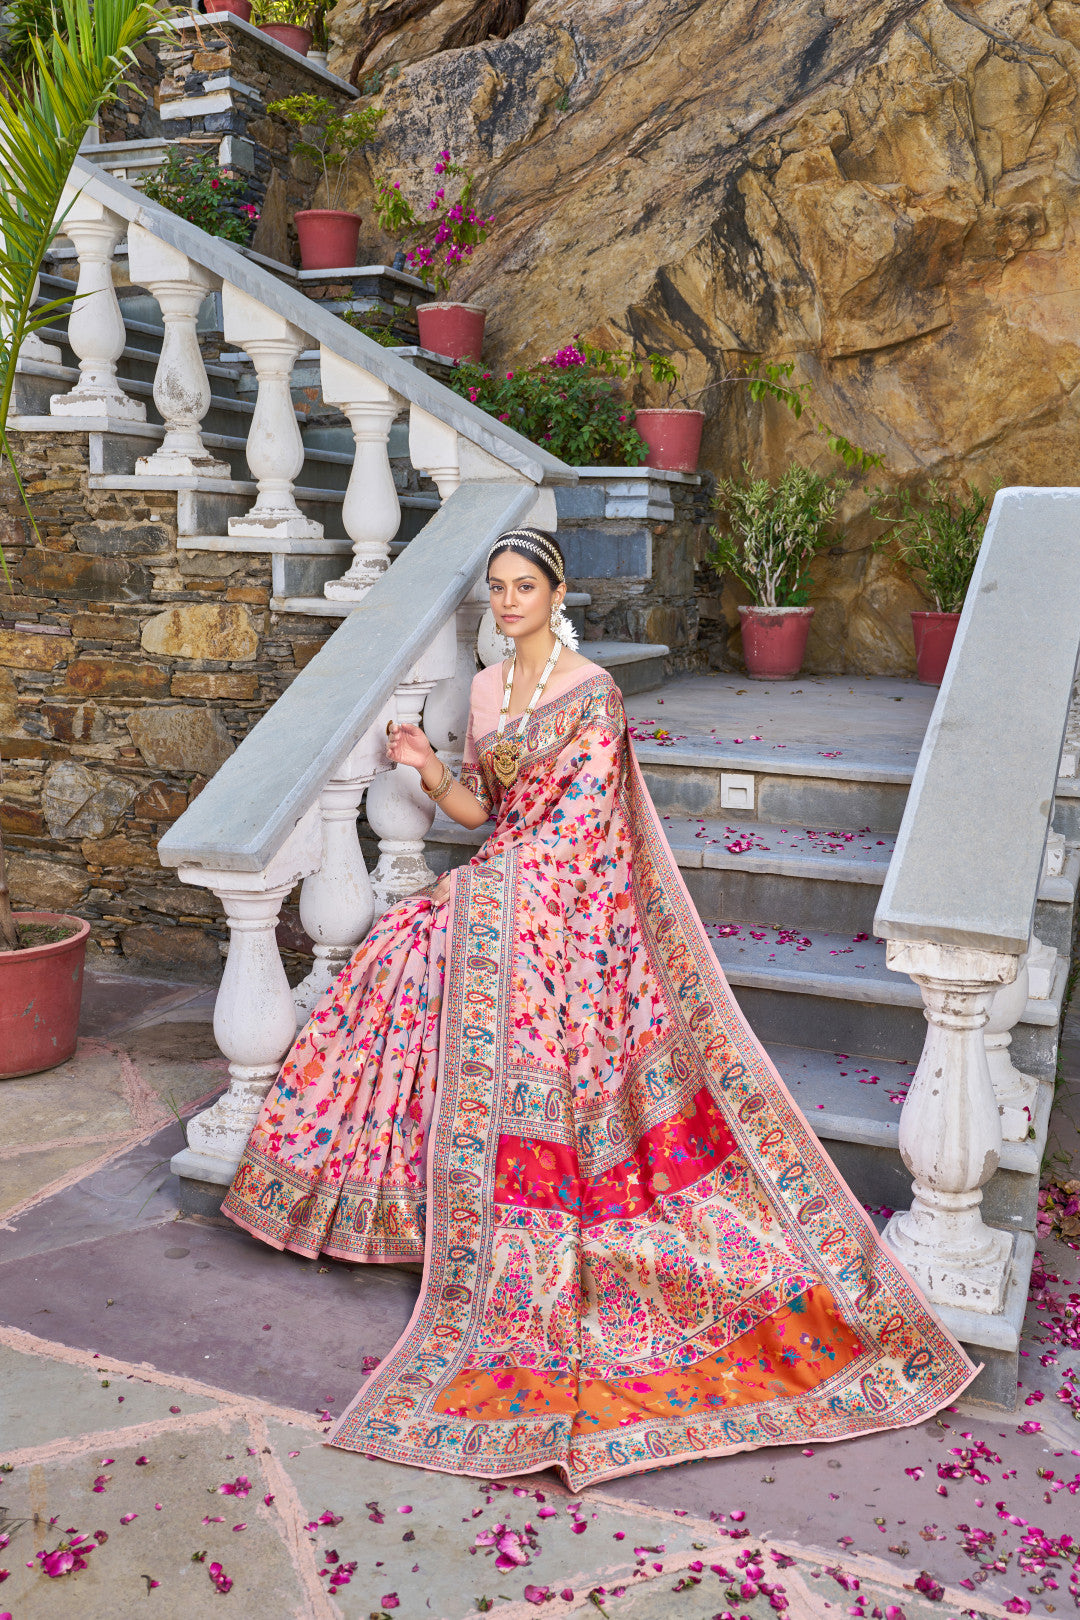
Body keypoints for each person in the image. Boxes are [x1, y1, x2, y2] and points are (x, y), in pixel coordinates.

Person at [223, 526, 976, 1491]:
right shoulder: (487, 695)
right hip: (506, 882)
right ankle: (397, 1208)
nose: (505, 603)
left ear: (556, 591)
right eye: (494, 589)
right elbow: (485, 818)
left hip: (570, 905)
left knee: (458, 950)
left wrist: (500, 899)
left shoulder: (592, 694)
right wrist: (425, 764)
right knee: (391, 958)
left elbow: (584, 836)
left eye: (522, 587)